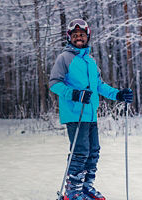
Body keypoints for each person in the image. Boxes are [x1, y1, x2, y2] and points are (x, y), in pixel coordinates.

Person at [49, 19, 133, 200]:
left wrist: (118, 95)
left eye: (82, 35)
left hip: (91, 114)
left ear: (88, 37)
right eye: (75, 35)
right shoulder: (64, 58)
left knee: (93, 151)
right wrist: (75, 94)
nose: (79, 38)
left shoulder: (90, 61)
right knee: (80, 152)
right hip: (75, 114)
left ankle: (85, 188)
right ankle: (72, 192)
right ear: (69, 38)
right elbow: (54, 84)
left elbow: (99, 86)